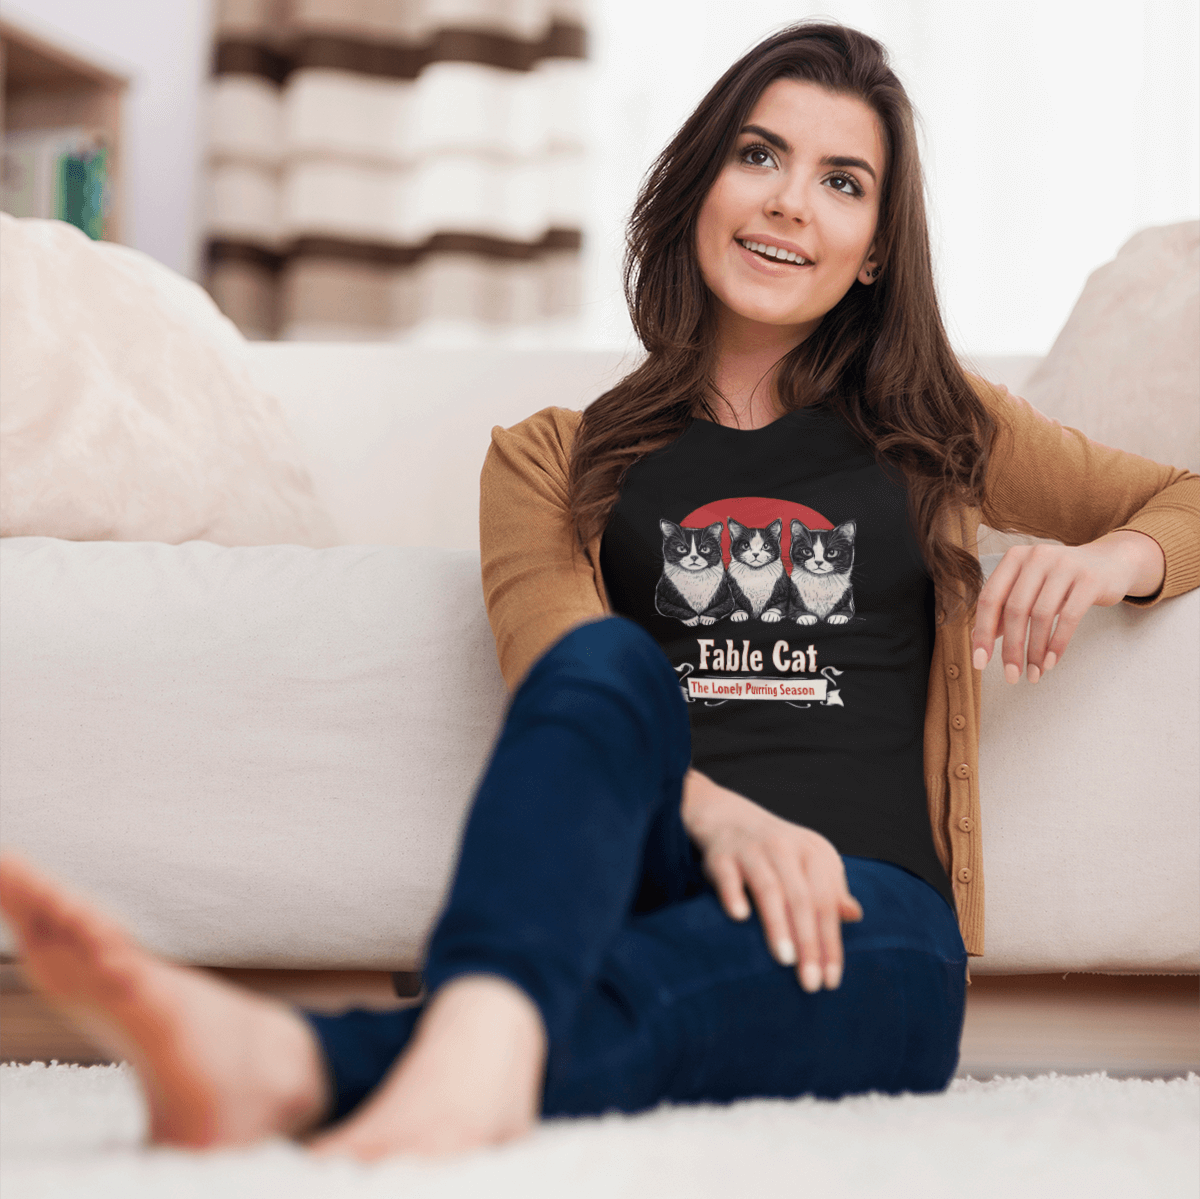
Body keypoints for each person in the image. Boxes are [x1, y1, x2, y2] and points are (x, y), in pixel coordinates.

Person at [1, 21, 1196, 1162]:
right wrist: (716, 812)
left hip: (864, 909)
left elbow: (1186, 497)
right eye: (760, 154)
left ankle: (344, 1053)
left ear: (876, 246)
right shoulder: (548, 456)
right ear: (700, 187)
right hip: (652, 868)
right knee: (607, 663)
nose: (790, 200)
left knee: (689, 989)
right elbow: (553, 667)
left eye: (843, 181)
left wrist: (1108, 559)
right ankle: (442, 1041)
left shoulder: (944, 427)